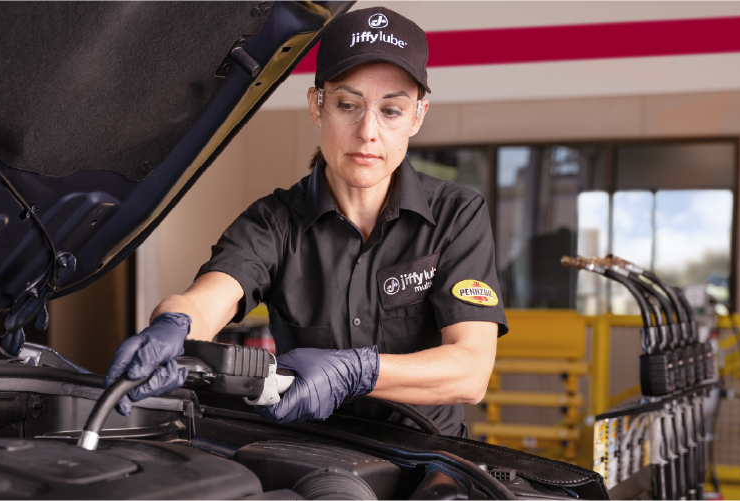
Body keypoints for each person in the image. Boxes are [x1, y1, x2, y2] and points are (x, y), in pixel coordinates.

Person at [104, 6, 507, 437]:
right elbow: (205, 302)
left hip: (430, 455)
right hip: (310, 453)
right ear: (317, 105)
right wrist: (174, 325)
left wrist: (356, 370)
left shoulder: (456, 215)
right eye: (348, 104)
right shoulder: (273, 223)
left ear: (417, 116)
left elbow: (470, 372)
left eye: (391, 110)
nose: (367, 131)